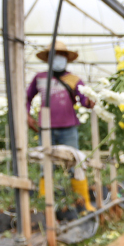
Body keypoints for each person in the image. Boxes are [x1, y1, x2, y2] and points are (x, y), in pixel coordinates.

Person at [25, 40, 94, 213]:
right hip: (46, 129)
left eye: (61, 55)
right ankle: (44, 205)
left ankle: (83, 204)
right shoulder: (39, 78)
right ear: (48, 59)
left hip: (68, 128)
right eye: (54, 56)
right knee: (46, 166)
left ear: (66, 58)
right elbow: (26, 97)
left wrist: (90, 101)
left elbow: (84, 100)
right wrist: (26, 115)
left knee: (74, 165)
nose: (58, 59)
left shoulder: (74, 80)